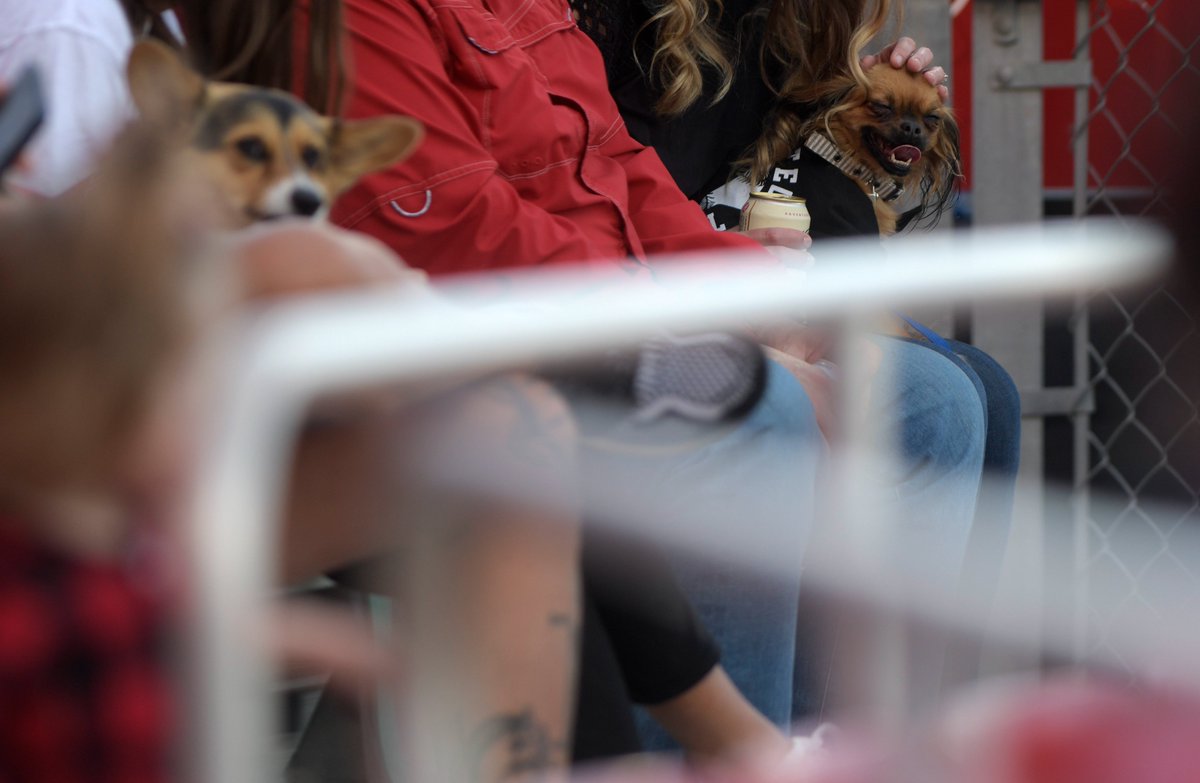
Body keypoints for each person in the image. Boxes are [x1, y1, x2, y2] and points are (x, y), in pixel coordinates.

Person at [577, 0, 1016, 724]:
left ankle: (902, 730)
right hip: (648, 283)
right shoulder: (620, 26)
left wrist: (885, 122)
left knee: (986, 391)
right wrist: (716, 287)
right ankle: (797, 728)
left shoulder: (798, 19)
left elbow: (814, 183)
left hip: (750, 269)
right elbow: (604, 188)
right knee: (907, 402)